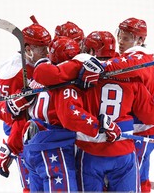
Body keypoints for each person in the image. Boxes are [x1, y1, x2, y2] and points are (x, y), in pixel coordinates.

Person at [74, 31, 154, 192]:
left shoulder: (79, 79)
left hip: (89, 151)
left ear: (91, 52)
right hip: (122, 152)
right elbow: (150, 115)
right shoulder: (132, 78)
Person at [22, 36, 113, 192]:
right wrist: (101, 128)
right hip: (53, 148)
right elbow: (71, 117)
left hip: (32, 145)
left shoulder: (39, 76)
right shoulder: (67, 85)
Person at [103, 17, 154, 192]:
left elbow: (125, 67)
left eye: (126, 38)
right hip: (138, 128)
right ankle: (144, 183)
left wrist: (98, 66)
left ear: (140, 40)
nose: (120, 42)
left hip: (144, 129)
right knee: (137, 169)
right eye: (120, 36)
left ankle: (142, 185)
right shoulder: (132, 57)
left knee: (133, 175)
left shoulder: (140, 58)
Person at [0, 16, 51, 192]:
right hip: (23, 133)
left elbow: (1, 109)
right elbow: (7, 112)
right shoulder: (21, 71)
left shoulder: (19, 64)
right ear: (27, 49)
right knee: (33, 185)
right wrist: (11, 146)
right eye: (42, 48)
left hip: (26, 130)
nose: (47, 52)